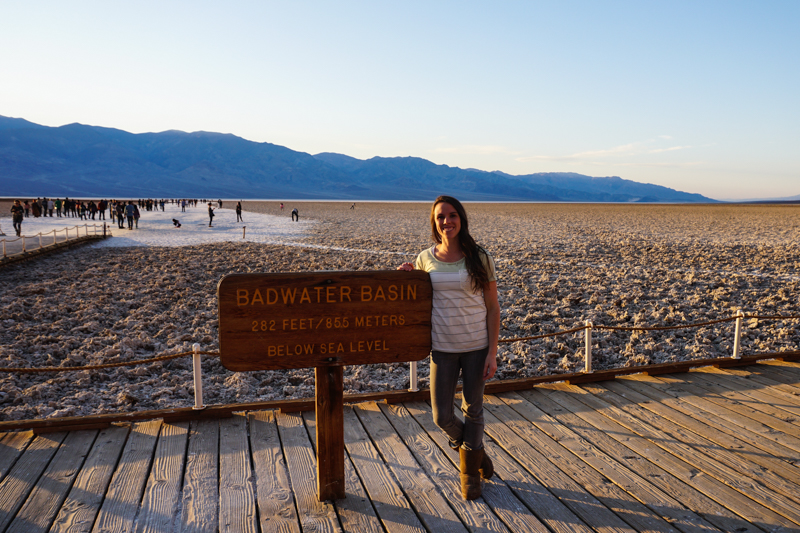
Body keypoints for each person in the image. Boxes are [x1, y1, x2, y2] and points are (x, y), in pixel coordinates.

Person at [397, 195, 500, 501]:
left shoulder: (480, 257)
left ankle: (469, 475)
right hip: (442, 348)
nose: (447, 221)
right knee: (441, 416)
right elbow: (415, 297)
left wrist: (492, 353)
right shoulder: (424, 258)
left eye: (452, 215)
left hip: (476, 346)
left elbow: (493, 308)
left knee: (473, 410)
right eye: (441, 217)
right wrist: (406, 276)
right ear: (434, 222)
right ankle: (476, 453)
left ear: (461, 219)